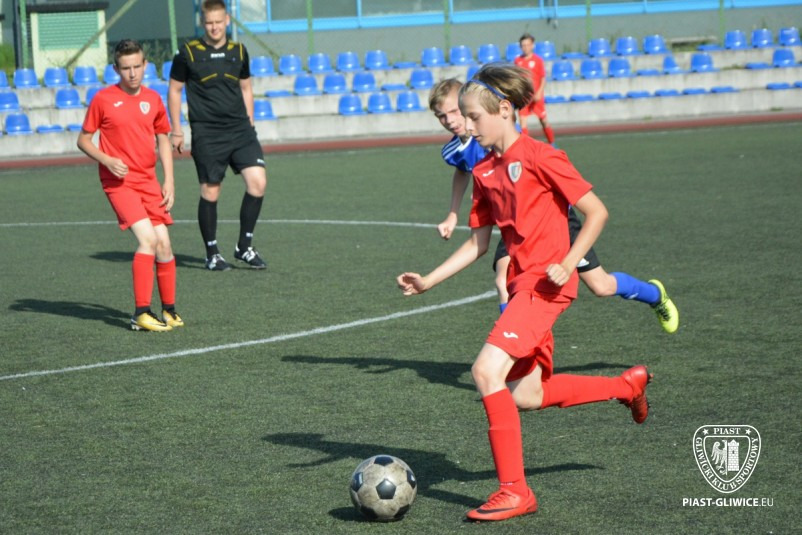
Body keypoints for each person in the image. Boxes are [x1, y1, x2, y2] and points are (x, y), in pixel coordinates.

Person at [399, 64, 653, 522]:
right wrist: (428, 281)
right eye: (463, 117)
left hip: (546, 287)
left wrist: (568, 262)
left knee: (485, 371)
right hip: (521, 287)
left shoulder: (541, 156)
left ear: (504, 109)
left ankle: (515, 491)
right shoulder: (483, 169)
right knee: (526, 395)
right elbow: (479, 244)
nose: (467, 126)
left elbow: (596, 212)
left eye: (474, 117)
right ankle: (624, 386)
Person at [429, 78, 679, 333]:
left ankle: (654, 294)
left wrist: (567, 263)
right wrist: (452, 213)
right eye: (441, 116)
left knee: (600, 285)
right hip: (514, 224)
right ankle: (514, 344)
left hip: (551, 219)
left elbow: (522, 155)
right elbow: (463, 171)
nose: (451, 120)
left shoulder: (499, 132)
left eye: (455, 112)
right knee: (504, 281)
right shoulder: (454, 149)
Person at [77, 39, 183, 332]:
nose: (133, 73)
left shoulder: (153, 98)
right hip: (119, 183)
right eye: (126, 68)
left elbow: (163, 138)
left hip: (148, 181)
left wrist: (169, 180)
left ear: (145, 65)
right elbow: (83, 140)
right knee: (148, 240)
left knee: (165, 244)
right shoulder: (103, 99)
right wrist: (107, 160)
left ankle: (169, 310)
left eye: (137, 66)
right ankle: (141, 313)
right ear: (116, 69)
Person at [168, 0, 267, 271]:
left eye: (218, 22)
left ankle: (244, 247)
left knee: (258, 183)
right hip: (208, 132)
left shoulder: (239, 51)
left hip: (240, 130)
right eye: (209, 23)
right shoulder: (187, 53)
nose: (214, 27)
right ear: (203, 23)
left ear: (227, 21)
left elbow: (246, 87)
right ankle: (212, 253)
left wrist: (250, 123)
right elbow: (174, 90)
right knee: (211, 190)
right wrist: (176, 129)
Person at [514, 33, 555, 144]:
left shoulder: (538, 60)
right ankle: (526, 146)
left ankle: (552, 143)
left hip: (536, 97)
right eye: (523, 45)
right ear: (520, 47)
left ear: (532, 45)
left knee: (544, 120)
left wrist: (539, 93)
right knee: (523, 122)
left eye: (528, 45)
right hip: (524, 98)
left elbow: (543, 78)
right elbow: (517, 79)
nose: (526, 47)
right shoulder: (518, 61)